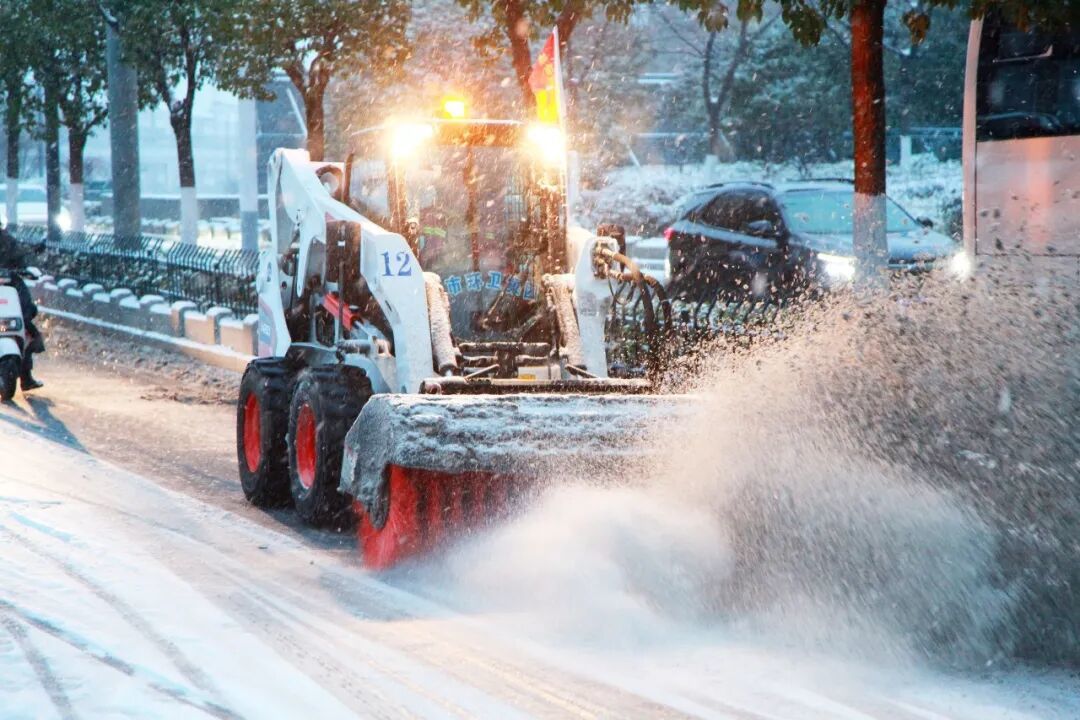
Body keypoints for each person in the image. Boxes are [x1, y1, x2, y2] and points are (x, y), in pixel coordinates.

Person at [0, 224, 44, 390]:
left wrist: (27, 264)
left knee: (25, 324)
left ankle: (26, 374)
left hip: (8, 287)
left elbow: (20, 254)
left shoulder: (6, 239)